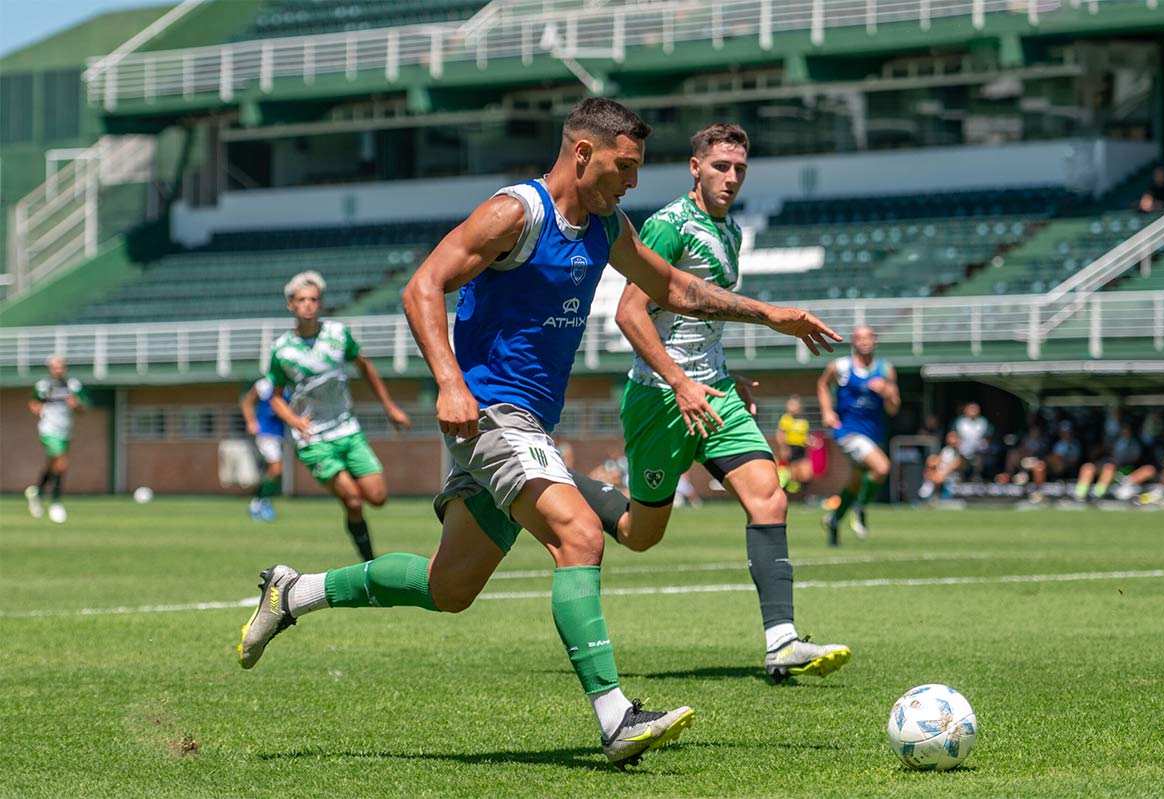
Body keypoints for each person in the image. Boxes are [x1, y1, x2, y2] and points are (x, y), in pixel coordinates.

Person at [236, 99, 841, 767]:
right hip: (490, 412)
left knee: (450, 587)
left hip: (522, 423)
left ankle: (294, 591)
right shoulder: (516, 213)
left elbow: (672, 285)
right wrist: (448, 381)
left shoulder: (606, 225)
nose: (633, 182)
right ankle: (615, 718)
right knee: (581, 534)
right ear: (583, 153)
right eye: (625, 166)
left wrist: (771, 314)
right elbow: (422, 286)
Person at [572, 123, 847, 684]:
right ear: (695, 167)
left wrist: (724, 375)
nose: (731, 178)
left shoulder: (733, 233)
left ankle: (781, 643)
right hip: (660, 399)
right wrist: (679, 381)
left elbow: (702, 313)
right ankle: (552, 474)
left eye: (740, 169)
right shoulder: (670, 225)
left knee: (769, 497)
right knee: (639, 535)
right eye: (721, 166)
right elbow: (629, 314)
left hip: (715, 395)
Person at [263, 271, 411, 559]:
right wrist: (294, 421)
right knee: (354, 502)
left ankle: (348, 493)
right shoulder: (282, 350)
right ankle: (369, 562)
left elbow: (365, 366)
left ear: (321, 304)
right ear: (290, 305)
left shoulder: (338, 334)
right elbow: (276, 398)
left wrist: (389, 406)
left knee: (377, 498)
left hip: (347, 428)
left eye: (314, 299)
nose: (308, 305)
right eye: (301, 300)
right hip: (314, 437)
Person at [816, 325, 900, 545]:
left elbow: (893, 408)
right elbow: (823, 384)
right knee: (882, 468)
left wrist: (887, 392)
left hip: (873, 433)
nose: (864, 342)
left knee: (855, 482)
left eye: (868, 337)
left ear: (875, 341)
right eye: (859, 338)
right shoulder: (841, 366)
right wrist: (826, 411)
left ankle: (834, 520)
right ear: (853, 342)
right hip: (847, 431)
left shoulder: (886, 369)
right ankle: (860, 508)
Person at [25, 356, 85, 524]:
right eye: (55, 367)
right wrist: (37, 408)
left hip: (65, 431)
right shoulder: (43, 386)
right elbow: (33, 403)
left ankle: (37, 493)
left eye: (61, 367)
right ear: (50, 368)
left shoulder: (72, 385)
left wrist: (76, 404)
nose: (58, 370)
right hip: (48, 430)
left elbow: (82, 406)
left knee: (53, 465)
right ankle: (56, 503)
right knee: (61, 462)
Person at [239, 376, 288, 521]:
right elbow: (247, 402)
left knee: (273, 471)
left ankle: (257, 503)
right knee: (276, 469)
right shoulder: (263, 384)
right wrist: (251, 422)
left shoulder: (290, 383)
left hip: (282, 432)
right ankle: (263, 502)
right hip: (265, 433)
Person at [1074, 421, 1141, 501]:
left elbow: (1133, 459)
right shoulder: (1115, 441)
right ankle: (1080, 495)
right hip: (1105, 463)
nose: (1124, 432)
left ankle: (1097, 495)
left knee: (1109, 468)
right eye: (1123, 430)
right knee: (1088, 467)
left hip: (1121, 468)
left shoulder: (1134, 445)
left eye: (1127, 430)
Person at [776, 395, 814, 496]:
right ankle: (786, 495)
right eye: (791, 405)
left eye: (795, 405)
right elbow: (780, 434)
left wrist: (810, 441)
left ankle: (806, 497)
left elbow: (805, 436)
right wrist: (783, 447)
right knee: (793, 475)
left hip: (801, 448)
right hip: (790, 448)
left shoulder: (803, 420)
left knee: (807, 473)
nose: (792, 407)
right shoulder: (785, 419)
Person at [918, 430, 964, 500]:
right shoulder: (946, 450)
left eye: (953, 437)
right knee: (930, 460)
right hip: (939, 473)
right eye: (950, 437)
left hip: (949, 476)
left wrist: (940, 475)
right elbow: (938, 460)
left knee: (937, 477)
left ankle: (929, 490)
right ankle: (928, 487)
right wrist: (931, 461)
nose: (951, 440)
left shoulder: (958, 453)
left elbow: (954, 466)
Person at [952, 402, 991, 481]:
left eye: (975, 409)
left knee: (982, 450)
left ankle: (976, 475)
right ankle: (961, 475)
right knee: (959, 452)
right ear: (966, 410)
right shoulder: (960, 422)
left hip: (978, 448)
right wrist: (957, 445)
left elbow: (988, 436)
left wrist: (984, 443)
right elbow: (953, 435)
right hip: (962, 447)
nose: (973, 411)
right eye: (971, 409)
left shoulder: (983, 422)